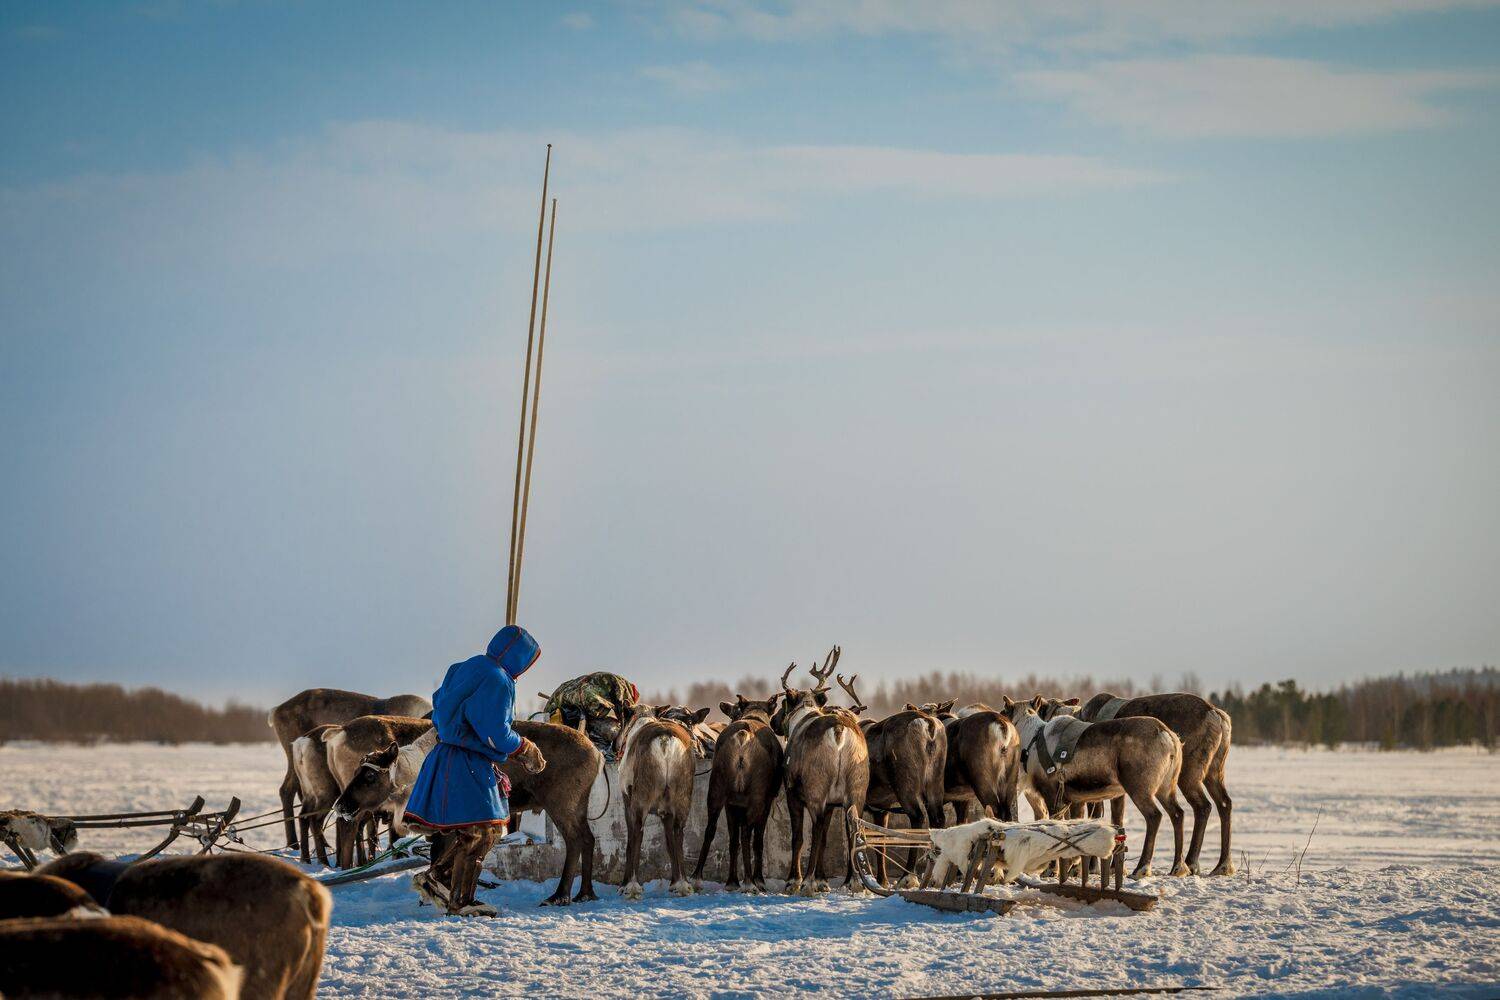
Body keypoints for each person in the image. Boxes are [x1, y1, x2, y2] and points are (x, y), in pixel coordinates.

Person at [403, 624, 546, 916]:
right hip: (468, 762)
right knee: (485, 830)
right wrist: (523, 747)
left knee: (477, 831)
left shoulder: (464, 667)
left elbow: (438, 700)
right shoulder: (498, 679)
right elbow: (494, 731)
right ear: (519, 657)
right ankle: (460, 899)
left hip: (445, 756)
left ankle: (440, 879)